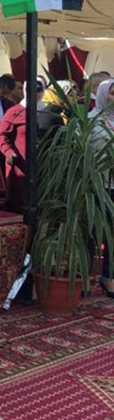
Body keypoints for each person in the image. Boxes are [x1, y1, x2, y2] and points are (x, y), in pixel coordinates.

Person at [0, 78, 45, 214]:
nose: (36, 94)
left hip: (43, 166)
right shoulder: (14, 112)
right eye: (32, 90)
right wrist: (9, 152)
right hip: (20, 167)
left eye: (39, 90)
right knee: (19, 205)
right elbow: (1, 136)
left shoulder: (48, 111)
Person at [89, 79, 114, 297]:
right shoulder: (90, 120)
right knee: (90, 231)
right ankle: (84, 276)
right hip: (94, 185)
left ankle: (109, 276)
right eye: (112, 93)